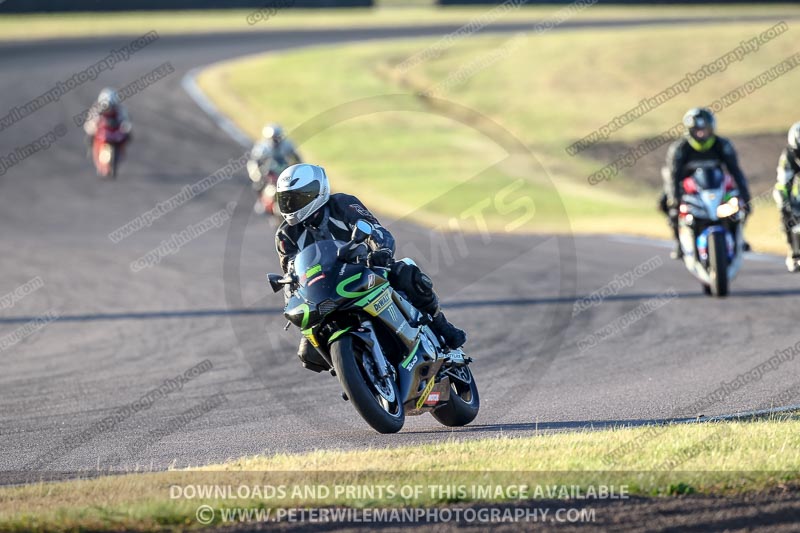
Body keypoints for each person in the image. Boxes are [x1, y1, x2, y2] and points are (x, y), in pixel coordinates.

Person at [273, 163, 466, 372]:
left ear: (317, 191)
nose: (291, 205)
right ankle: (355, 370)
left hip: (364, 269)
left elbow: (374, 229)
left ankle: (442, 327)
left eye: (297, 198)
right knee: (308, 354)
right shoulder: (285, 235)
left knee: (408, 274)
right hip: (325, 290)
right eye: (286, 199)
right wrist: (294, 302)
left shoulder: (342, 204)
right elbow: (291, 275)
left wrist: (381, 251)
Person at [659, 107, 752, 259]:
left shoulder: (722, 145)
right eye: (697, 130)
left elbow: (735, 171)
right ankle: (679, 243)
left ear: (711, 129)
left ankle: (739, 239)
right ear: (690, 131)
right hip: (689, 190)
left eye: (705, 130)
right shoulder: (680, 149)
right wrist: (674, 199)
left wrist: (745, 195)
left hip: (717, 188)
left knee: (740, 206)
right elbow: (673, 176)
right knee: (667, 205)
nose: (701, 134)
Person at [773, 122, 800, 272]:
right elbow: (783, 182)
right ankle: (793, 252)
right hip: (796, 193)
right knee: (785, 208)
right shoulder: (788, 155)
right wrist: (785, 203)